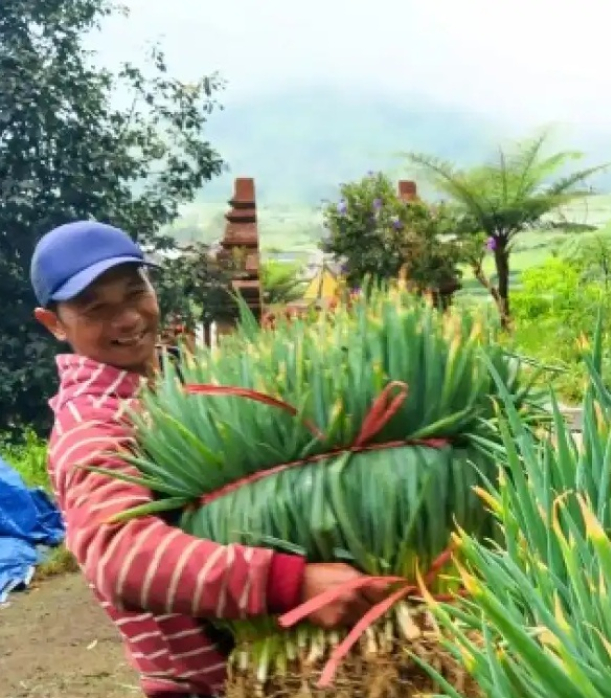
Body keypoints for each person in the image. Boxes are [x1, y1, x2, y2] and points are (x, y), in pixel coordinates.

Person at [30, 220, 389, 698]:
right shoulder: (92, 427)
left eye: (135, 292)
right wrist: (292, 582)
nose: (127, 319)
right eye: (95, 308)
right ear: (53, 323)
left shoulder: (177, 387)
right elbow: (121, 555)